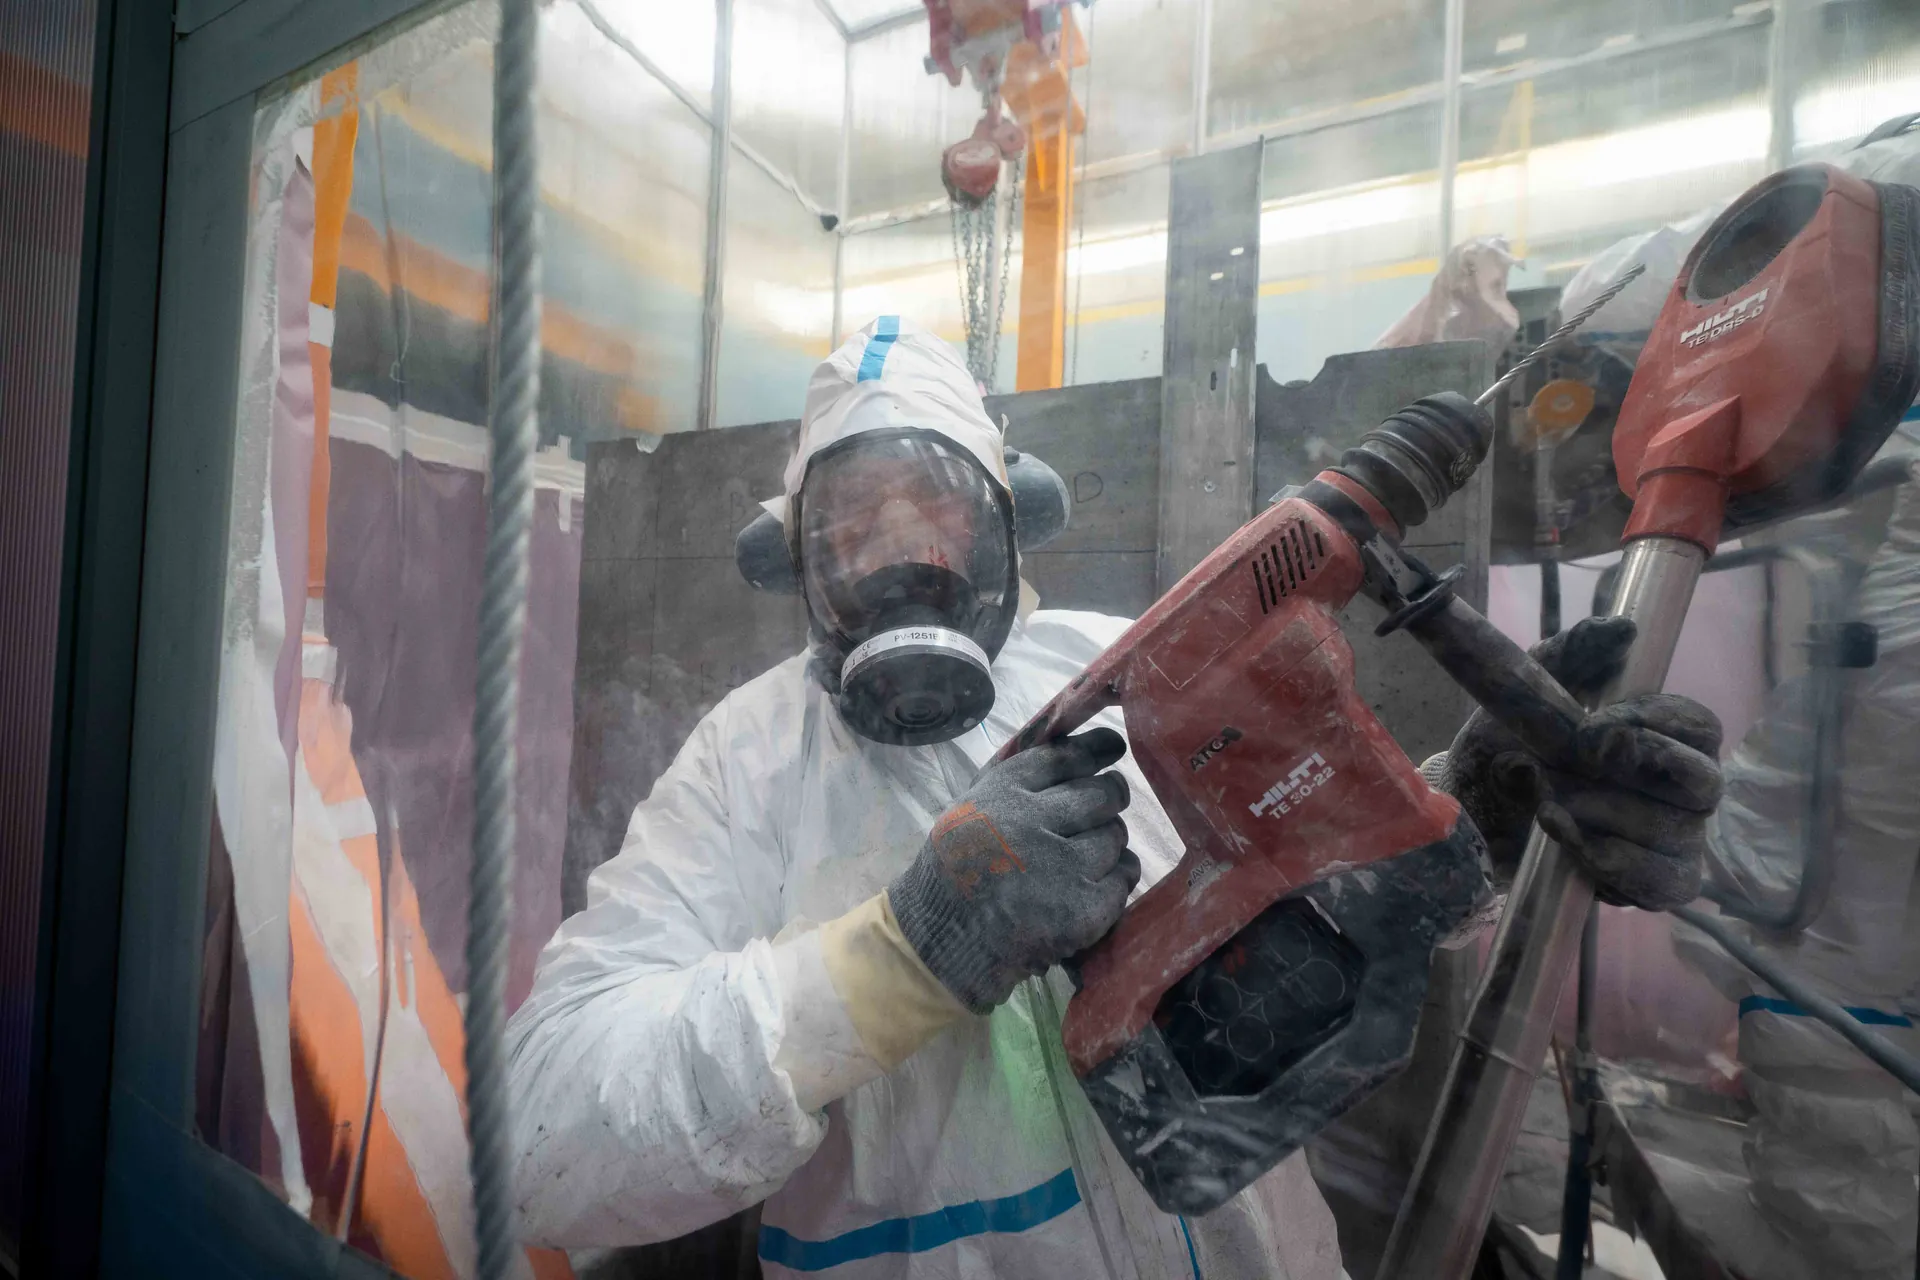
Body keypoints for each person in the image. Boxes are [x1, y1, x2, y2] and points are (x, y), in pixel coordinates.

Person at [507, 316, 1722, 1279]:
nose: (897, 549)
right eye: (851, 523)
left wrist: (1480, 819)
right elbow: (544, 1140)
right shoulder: (746, 761)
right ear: (800, 566)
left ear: (1003, 522)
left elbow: (1303, 885)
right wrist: (897, 957)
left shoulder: (1142, 666)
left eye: (929, 503)